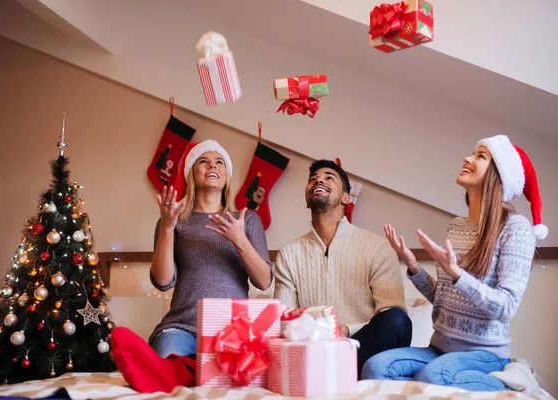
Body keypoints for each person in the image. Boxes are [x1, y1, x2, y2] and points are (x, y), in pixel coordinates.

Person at [362, 135, 547, 390]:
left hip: (484, 354)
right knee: (375, 367)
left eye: (480, 156)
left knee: (433, 377)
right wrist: (413, 266)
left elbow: (506, 307)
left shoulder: (516, 229)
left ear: (498, 174)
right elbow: (445, 298)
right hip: (440, 348)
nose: (467, 158)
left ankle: (514, 382)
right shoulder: (457, 226)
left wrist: (459, 276)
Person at [274, 159, 412, 378]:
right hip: (315, 351)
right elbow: (284, 321)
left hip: (363, 347)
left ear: (346, 198)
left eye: (329, 177)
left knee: (397, 319)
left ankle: (333, 375)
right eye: (313, 179)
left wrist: (345, 330)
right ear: (307, 200)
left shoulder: (377, 247)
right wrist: (319, 336)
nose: (318, 179)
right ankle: (329, 375)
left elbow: (392, 318)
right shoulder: (288, 254)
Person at [149, 139, 273, 358]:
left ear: (226, 176)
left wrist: (239, 239)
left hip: (234, 329)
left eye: (219, 162)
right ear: (192, 174)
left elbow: (263, 281)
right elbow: (163, 281)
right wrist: (168, 227)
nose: (212, 166)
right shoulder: (173, 220)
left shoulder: (247, 220)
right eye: (203, 161)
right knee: (166, 367)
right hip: (182, 328)